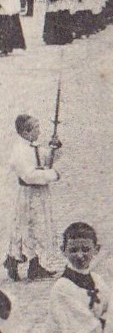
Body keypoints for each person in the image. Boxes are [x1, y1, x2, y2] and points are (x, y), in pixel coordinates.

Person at [7, 113, 62, 281]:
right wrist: (52, 175)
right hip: (28, 194)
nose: (39, 131)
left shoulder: (33, 146)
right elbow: (28, 176)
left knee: (38, 229)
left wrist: (55, 148)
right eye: (36, 128)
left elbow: (46, 160)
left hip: (39, 194)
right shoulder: (20, 151)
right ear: (25, 132)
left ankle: (35, 265)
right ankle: (13, 260)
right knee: (26, 229)